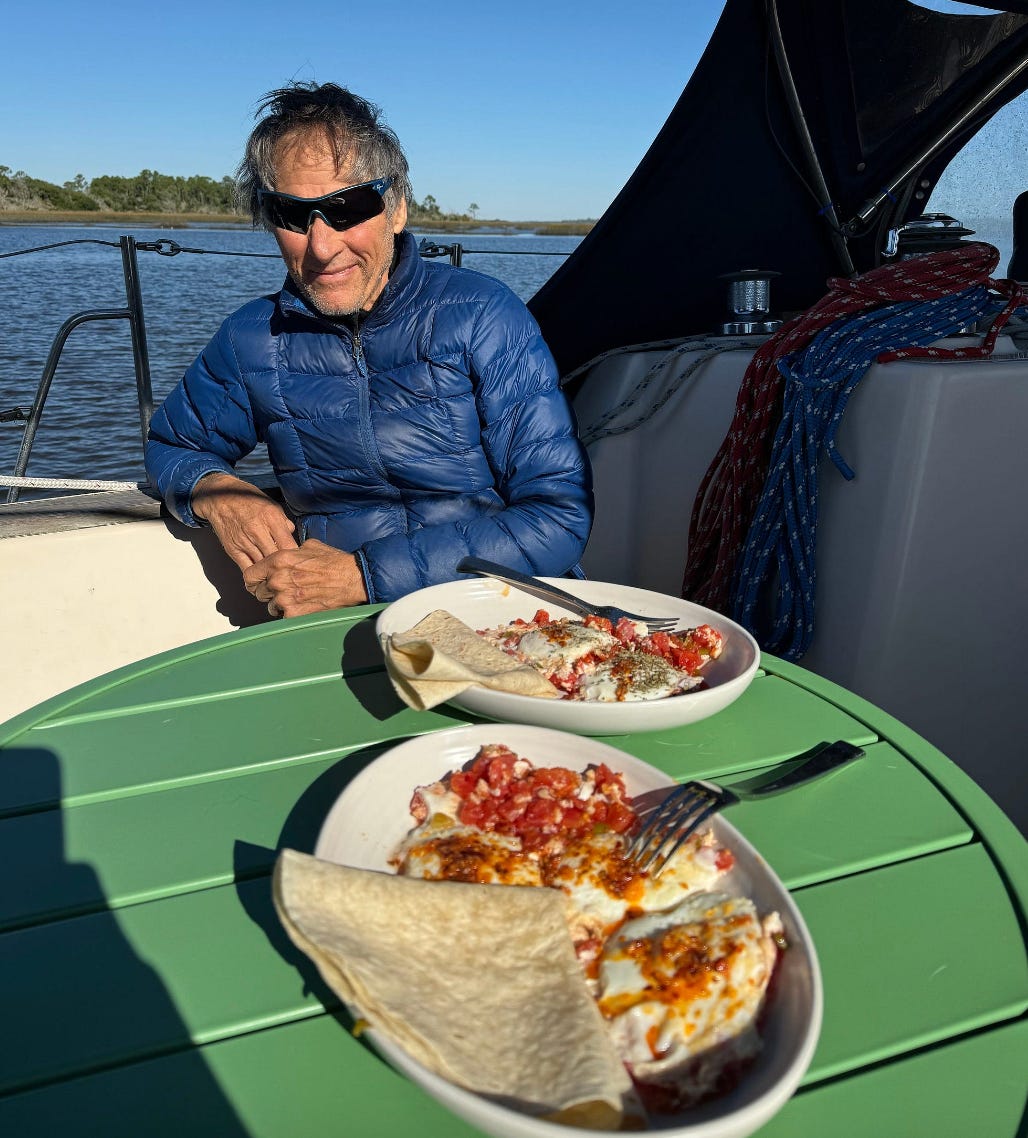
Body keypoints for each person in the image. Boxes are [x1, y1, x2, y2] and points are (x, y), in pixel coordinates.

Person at [145, 82, 593, 618]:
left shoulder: (483, 316)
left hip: (496, 608)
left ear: (397, 208)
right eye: (291, 213)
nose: (322, 246)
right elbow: (170, 446)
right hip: (336, 624)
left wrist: (364, 575)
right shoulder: (253, 338)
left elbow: (558, 516)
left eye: (348, 206)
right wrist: (215, 491)